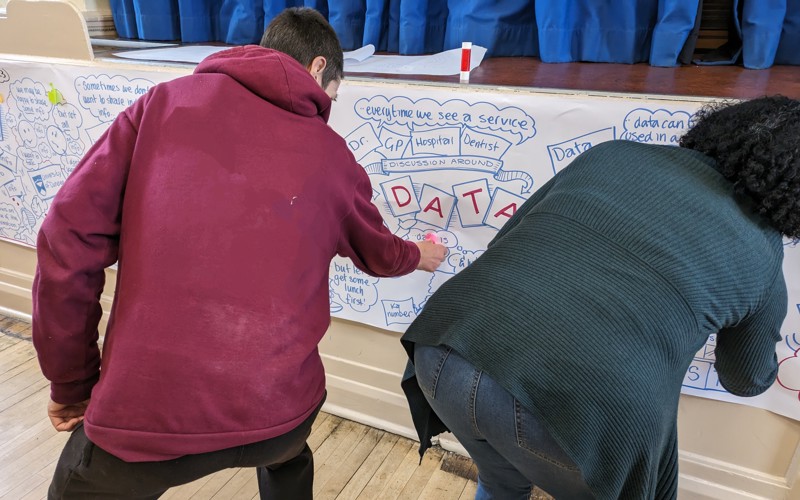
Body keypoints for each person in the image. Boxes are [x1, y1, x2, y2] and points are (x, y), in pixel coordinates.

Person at [32, 7, 446, 500]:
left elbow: (66, 241)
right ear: (318, 68)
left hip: (144, 422)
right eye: (332, 95)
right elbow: (380, 253)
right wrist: (420, 254)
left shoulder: (160, 106)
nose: (327, 108)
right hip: (281, 415)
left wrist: (72, 384)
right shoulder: (334, 155)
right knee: (290, 453)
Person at [401, 95, 800, 499]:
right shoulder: (763, 254)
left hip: (443, 350)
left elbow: (504, 239)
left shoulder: (613, 153)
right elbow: (746, 379)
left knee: (499, 480)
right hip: (576, 409)